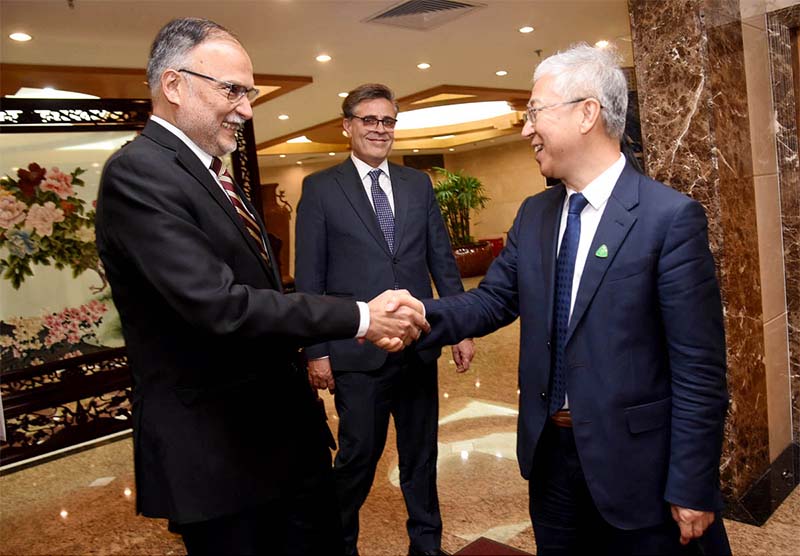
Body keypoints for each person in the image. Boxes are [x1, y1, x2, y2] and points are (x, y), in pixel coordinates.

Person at [95, 18, 427, 556]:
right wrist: (362, 317)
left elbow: (266, 291)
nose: (247, 109)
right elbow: (220, 306)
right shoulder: (140, 175)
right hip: (224, 458)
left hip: (282, 446)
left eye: (247, 93)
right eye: (232, 90)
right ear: (175, 85)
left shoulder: (215, 177)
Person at [397, 44, 730, 555]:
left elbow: (699, 371)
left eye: (534, 113)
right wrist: (419, 313)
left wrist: (692, 483)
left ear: (586, 113)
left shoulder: (669, 220)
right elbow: (491, 301)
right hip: (550, 460)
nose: (526, 129)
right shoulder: (535, 215)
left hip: (638, 469)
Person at [294, 83, 474, 556]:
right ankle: (335, 544)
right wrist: (317, 351)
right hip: (357, 352)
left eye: (388, 121)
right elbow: (310, 279)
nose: (379, 129)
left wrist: (460, 327)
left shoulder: (417, 184)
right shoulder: (320, 189)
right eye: (369, 120)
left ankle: (427, 546)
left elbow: (441, 258)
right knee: (357, 457)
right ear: (347, 126)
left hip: (417, 344)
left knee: (422, 455)